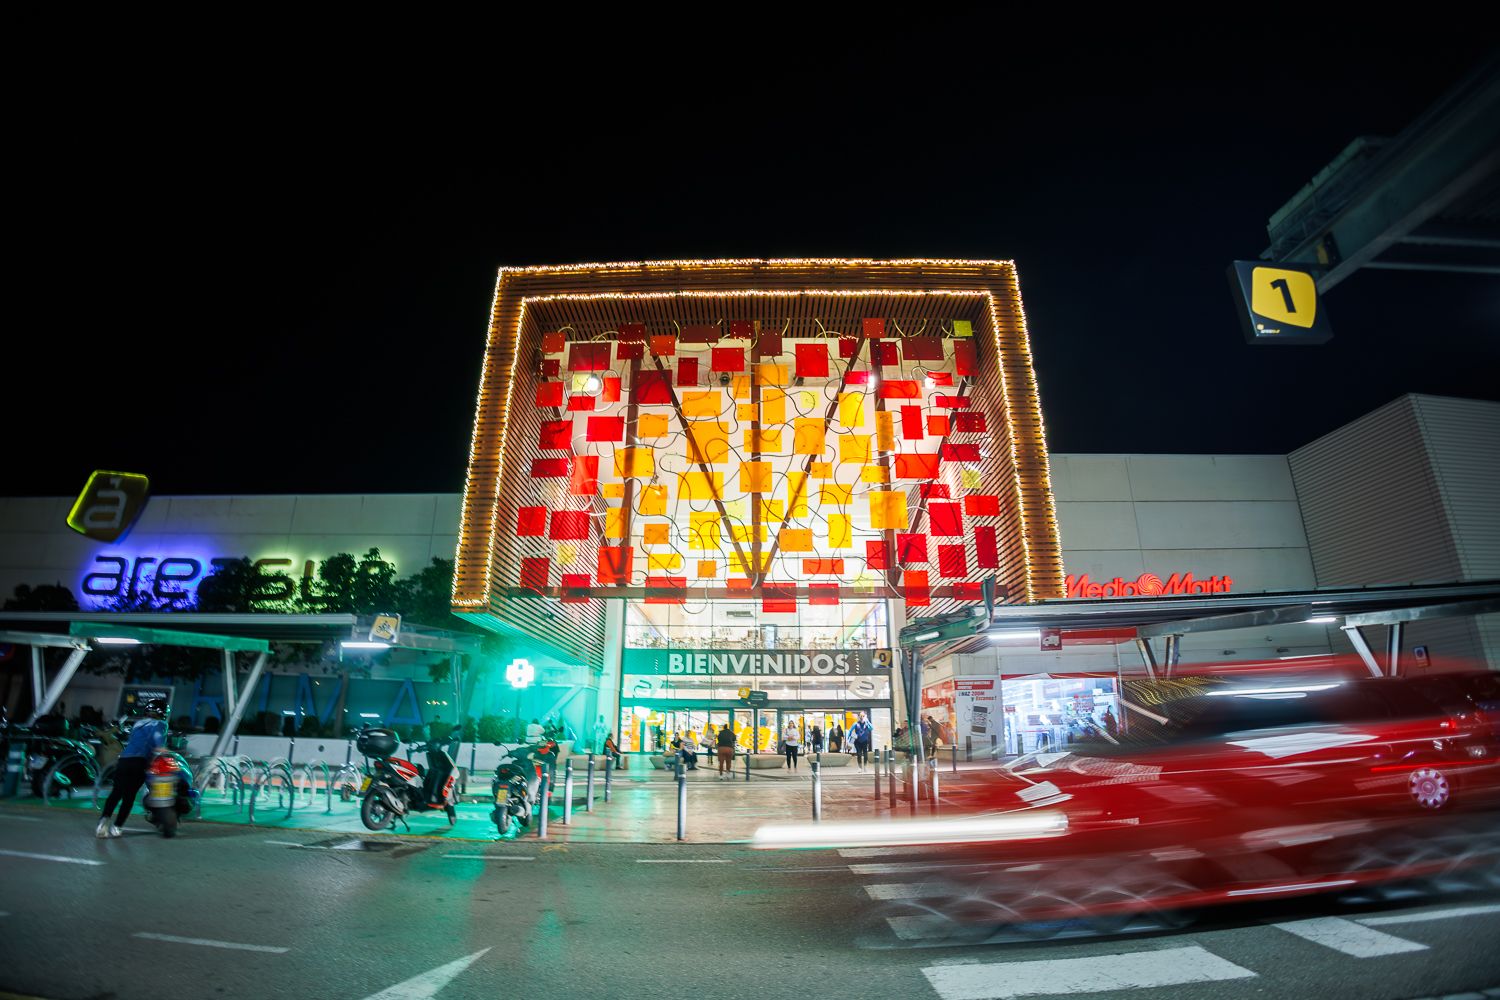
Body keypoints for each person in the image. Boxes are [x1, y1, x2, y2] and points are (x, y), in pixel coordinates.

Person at [97, 696, 168, 838]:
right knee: (129, 796)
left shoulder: (138, 724)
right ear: (162, 712)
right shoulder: (160, 724)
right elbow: (158, 740)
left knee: (116, 792)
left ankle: (103, 821)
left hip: (124, 760)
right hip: (140, 762)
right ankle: (117, 827)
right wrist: (164, 751)